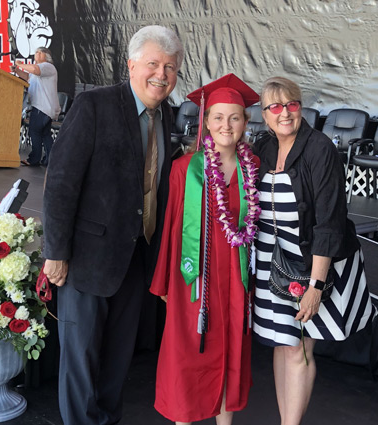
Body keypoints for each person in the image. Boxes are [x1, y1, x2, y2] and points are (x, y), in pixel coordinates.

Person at [41, 26, 184, 425]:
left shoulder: (165, 115)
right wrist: (56, 253)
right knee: (81, 363)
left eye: (170, 67)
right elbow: (61, 183)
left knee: (117, 362)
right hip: (87, 260)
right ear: (131, 64)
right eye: (153, 64)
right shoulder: (94, 105)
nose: (162, 74)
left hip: (135, 259)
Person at [252, 76, 376, 425]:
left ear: (301, 106)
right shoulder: (263, 148)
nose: (285, 113)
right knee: (282, 342)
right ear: (264, 114)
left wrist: (316, 287)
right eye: (275, 106)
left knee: (299, 347)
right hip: (272, 262)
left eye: (292, 104)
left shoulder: (320, 148)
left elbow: (329, 224)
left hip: (313, 264)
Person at [149, 74, 261, 425]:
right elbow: (169, 228)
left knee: (230, 351)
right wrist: (166, 281)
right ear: (205, 121)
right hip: (194, 278)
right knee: (187, 353)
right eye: (218, 117)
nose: (226, 125)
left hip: (237, 280)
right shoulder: (185, 170)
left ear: (244, 122)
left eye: (234, 117)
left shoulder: (253, 169)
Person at [11, 46, 60, 166]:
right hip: (43, 107)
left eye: (40, 52)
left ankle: (34, 159)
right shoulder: (40, 69)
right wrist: (17, 71)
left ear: (47, 56)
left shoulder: (47, 66)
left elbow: (34, 70)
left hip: (42, 107)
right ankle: (50, 159)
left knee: (35, 131)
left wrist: (20, 64)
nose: (36, 54)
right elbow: (29, 77)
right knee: (45, 134)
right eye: (36, 52)